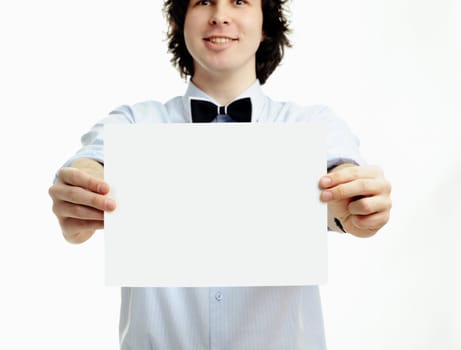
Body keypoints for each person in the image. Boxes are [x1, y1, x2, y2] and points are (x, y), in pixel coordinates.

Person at [49, 0, 392, 348]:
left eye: (239, 1)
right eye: (203, 1)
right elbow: (91, 164)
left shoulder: (312, 126)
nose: (219, 15)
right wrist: (81, 190)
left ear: (265, 24)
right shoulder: (135, 123)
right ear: (181, 22)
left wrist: (357, 206)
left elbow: (341, 192)